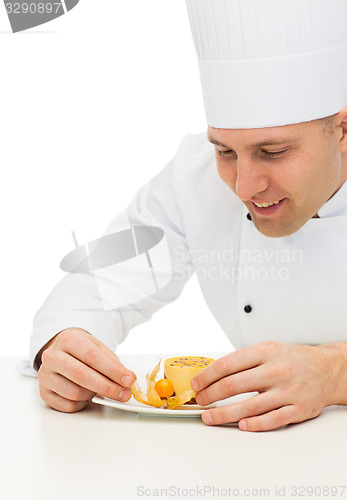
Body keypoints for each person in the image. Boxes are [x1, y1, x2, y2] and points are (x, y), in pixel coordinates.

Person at [30, 0, 347, 431]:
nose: (243, 186)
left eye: (273, 152)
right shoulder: (194, 174)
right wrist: (67, 343)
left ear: (342, 129)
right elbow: (100, 280)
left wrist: (335, 373)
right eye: (225, 151)